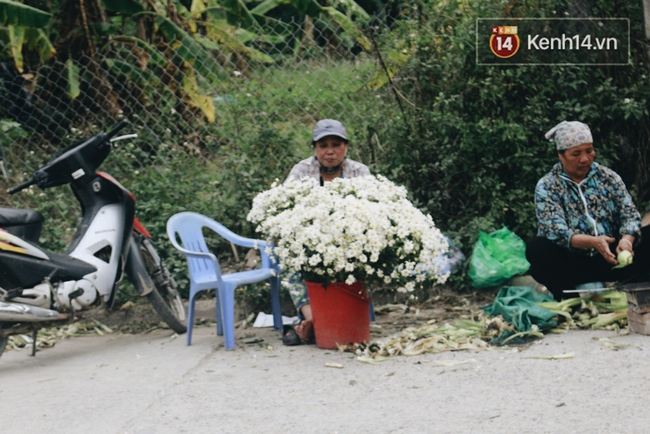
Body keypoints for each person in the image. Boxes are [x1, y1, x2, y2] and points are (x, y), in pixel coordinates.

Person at [526, 120, 650, 301]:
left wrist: (627, 241)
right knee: (537, 248)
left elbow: (629, 214)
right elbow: (555, 230)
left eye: (589, 151)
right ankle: (570, 301)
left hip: (613, 257)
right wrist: (593, 242)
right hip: (574, 262)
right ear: (561, 155)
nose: (585, 159)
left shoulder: (608, 177)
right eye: (576, 154)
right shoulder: (548, 186)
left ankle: (637, 292)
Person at [281, 119, 371, 345]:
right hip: (309, 236)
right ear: (315, 148)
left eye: (336, 144)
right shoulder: (301, 171)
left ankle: (341, 316)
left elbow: (371, 208)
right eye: (323, 145)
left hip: (348, 237)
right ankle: (313, 318)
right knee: (287, 255)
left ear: (346, 147)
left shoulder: (359, 171)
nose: (329, 151)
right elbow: (286, 206)